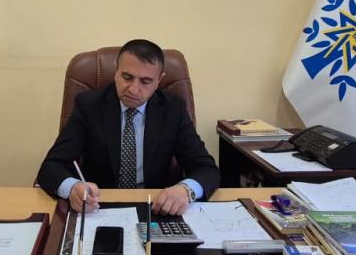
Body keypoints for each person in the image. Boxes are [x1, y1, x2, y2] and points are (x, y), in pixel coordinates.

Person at [36, 39, 220, 216]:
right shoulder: (89, 106)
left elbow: (207, 169)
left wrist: (186, 190)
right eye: (127, 77)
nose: (133, 89)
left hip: (156, 207)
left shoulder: (173, 110)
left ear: (159, 80)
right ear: (116, 72)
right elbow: (51, 167)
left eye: (145, 81)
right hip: (99, 206)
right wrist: (72, 188)